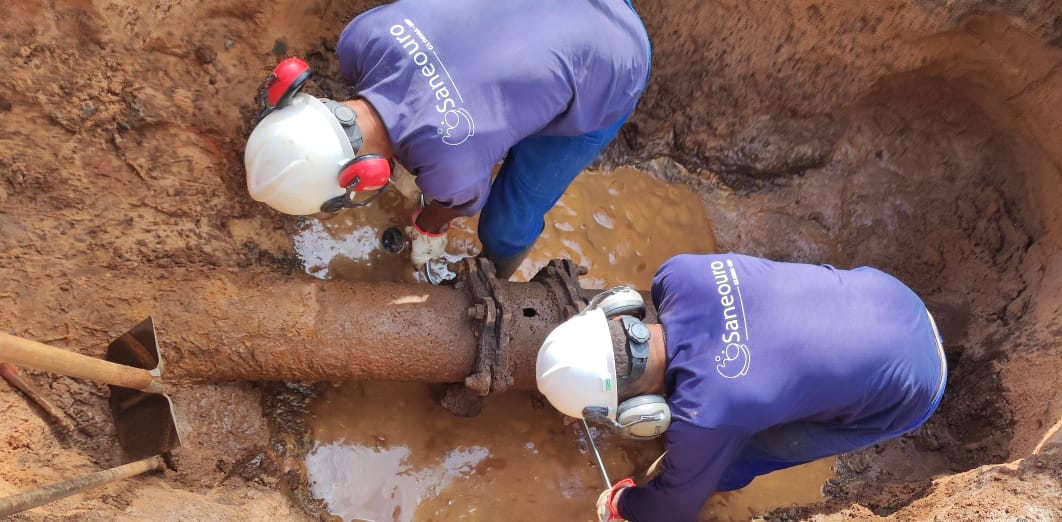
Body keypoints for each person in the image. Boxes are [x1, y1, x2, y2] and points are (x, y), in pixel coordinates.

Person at [243, 0, 651, 281]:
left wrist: (430, 225)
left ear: (365, 176)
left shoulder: (454, 167)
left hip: (613, 56)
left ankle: (496, 275)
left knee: (507, 222)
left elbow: (448, 201)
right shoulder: (360, 40)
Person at [536, 253, 947, 522]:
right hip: (892, 296)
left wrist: (620, 504)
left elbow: (670, 510)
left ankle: (725, 471)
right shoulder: (677, 274)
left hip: (912, 386)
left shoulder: (705, 417)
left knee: (751, 452)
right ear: (616, 309)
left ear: (638, 412)